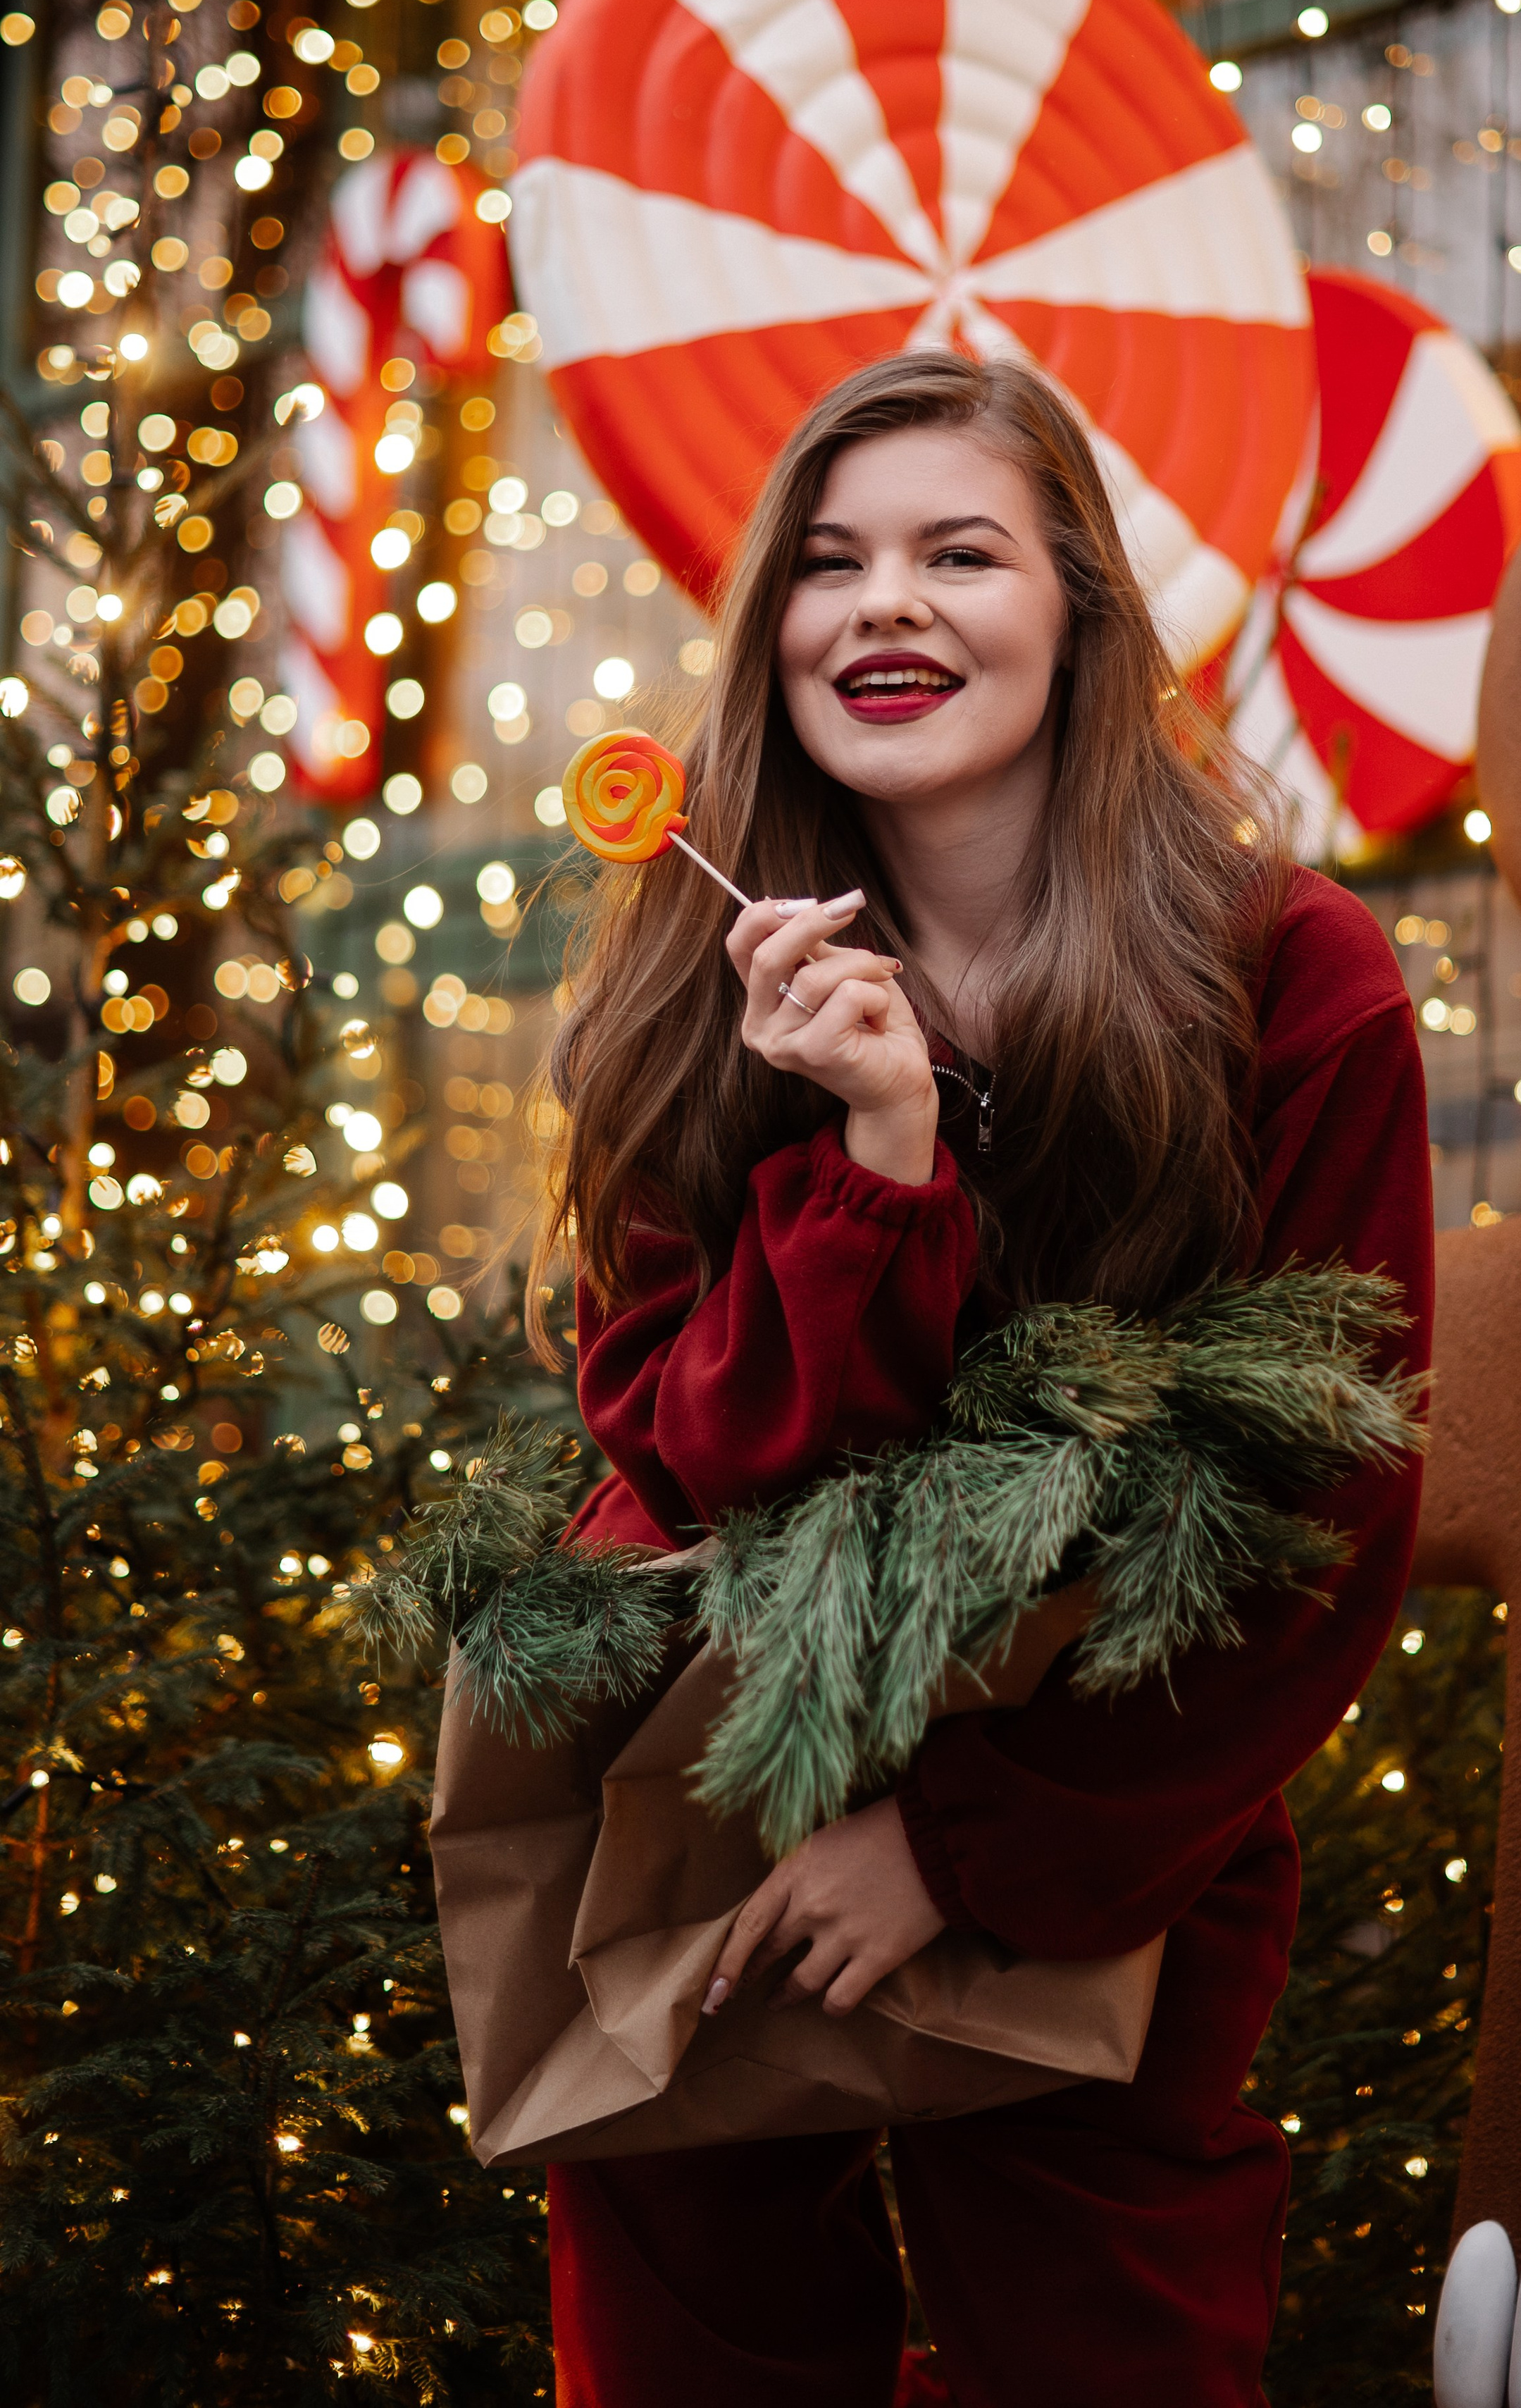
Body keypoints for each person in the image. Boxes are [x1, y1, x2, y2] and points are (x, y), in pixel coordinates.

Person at [530, 350, 1432, 2408]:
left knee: (1108, 2339)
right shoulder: (689, 993)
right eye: (830, 565)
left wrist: (967, 1842)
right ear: (774, 637)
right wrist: (875, 1170)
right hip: (722, 1804)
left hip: (1117, 1827)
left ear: (1081, 617)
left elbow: (1319, 1514)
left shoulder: (1293, 984)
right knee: (702, 2337)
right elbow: (686, 1467)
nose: (886, 605)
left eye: (961, 553)